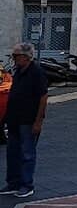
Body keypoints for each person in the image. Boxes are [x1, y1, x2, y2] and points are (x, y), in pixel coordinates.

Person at [1, 42, 48, 199]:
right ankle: (13, 182)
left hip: (28, 120)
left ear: (25, 57)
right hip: (14, 119)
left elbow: (43, 97)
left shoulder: (37, 73)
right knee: (12, 152)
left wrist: (38, 121)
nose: (13, 59)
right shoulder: (18, 71)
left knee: (27, 153)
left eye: (16, 56)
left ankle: (26, 185)